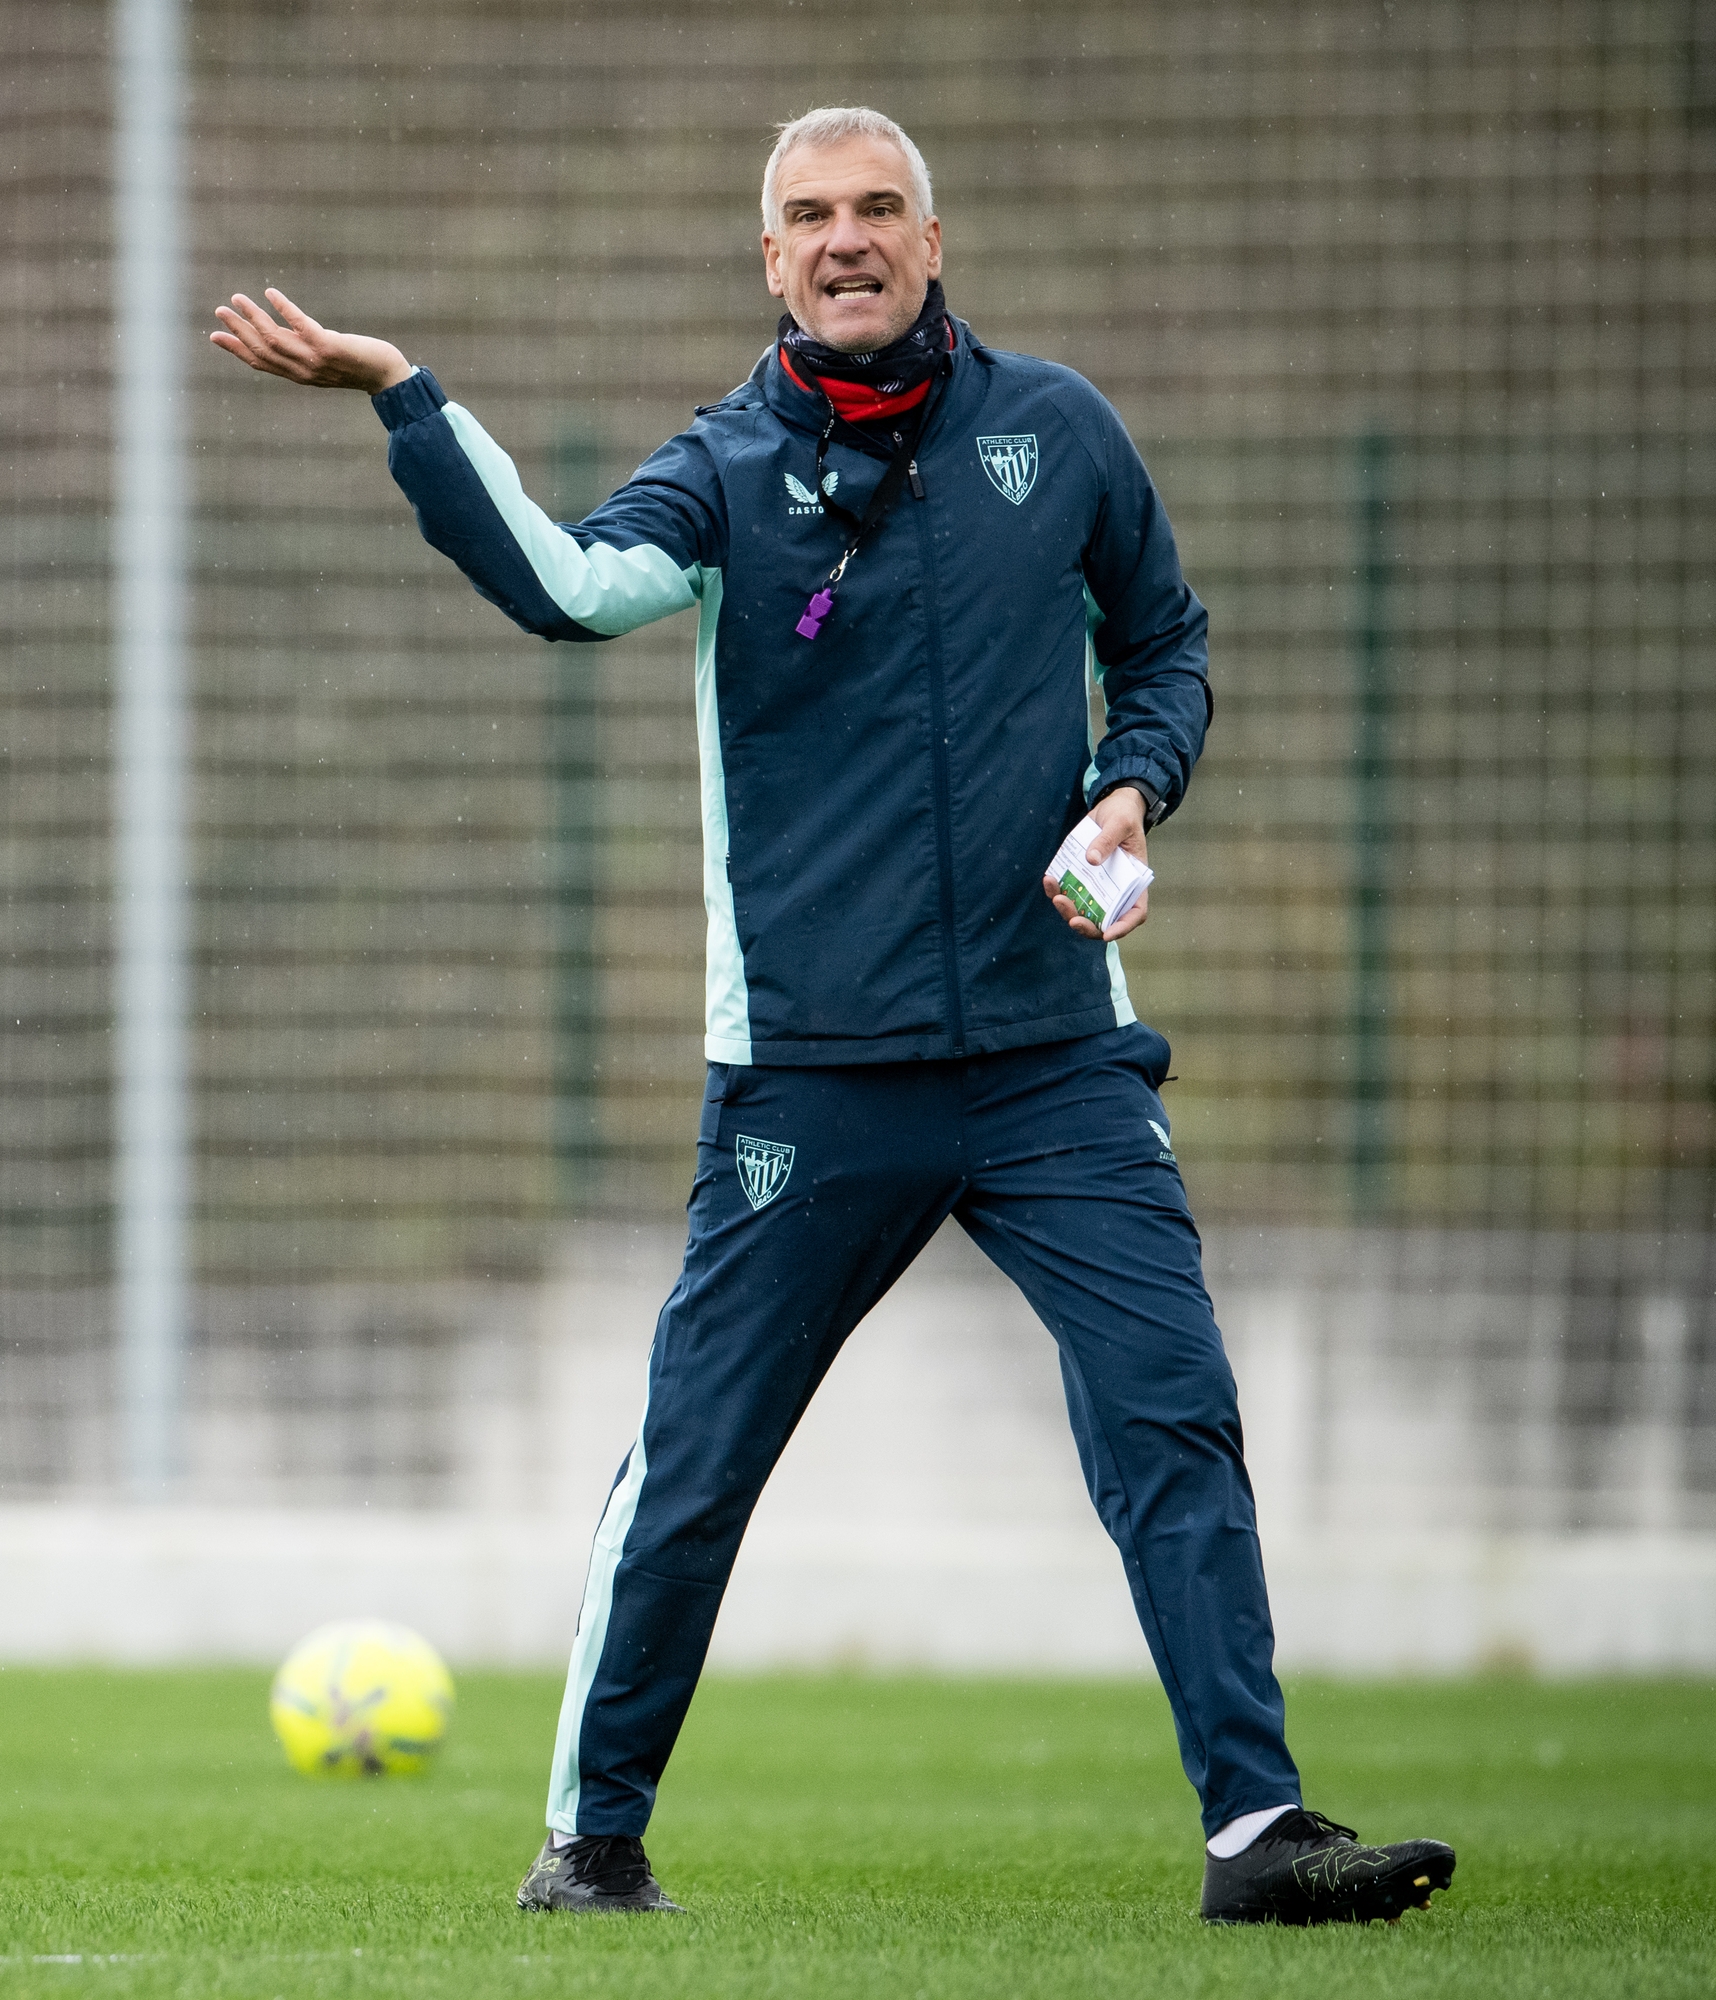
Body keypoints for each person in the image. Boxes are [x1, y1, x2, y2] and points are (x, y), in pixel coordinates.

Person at [212, 106, 1457, 1926]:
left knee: (1172, 1414)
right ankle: (595, 1839)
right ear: (770, 259)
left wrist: (1135, 785)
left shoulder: (1063, 431)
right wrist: (409, 395)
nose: (848, 237)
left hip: (1057, 1063)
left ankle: (1256, 1833)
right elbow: (568, 593)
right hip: (810, 1078)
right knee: (698, 1464)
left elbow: (1168, 643)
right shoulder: (720, 470)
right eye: (811, 215)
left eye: (880, 209)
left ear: (934, 242)